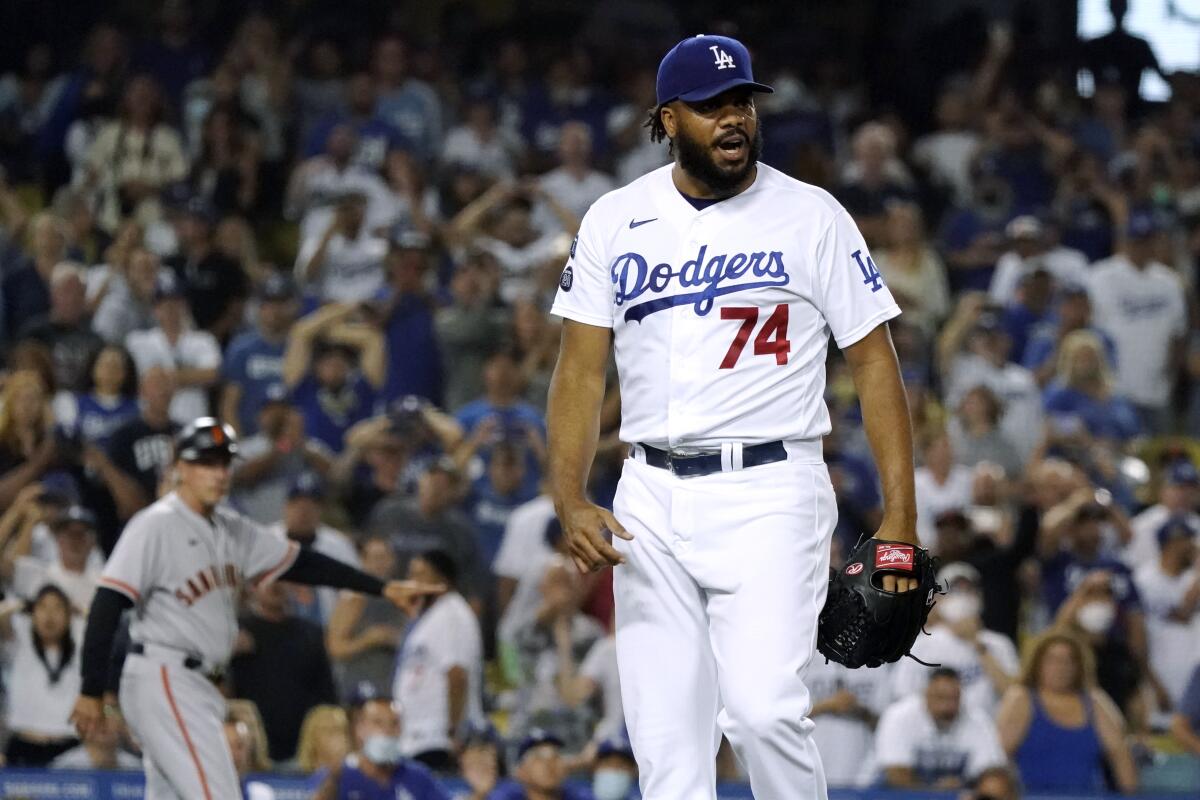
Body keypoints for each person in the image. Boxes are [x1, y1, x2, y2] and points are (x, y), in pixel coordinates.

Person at [547, 33, 922, 800]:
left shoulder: (811, 215)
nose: (734, 118)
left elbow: (876, 363)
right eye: (713, 105)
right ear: (668, 119)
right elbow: (581, 371)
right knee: (667, 750)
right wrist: (567, 496)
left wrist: (902, 519)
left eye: (743, 102)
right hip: (648, 494)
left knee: (762, 712)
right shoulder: (615, 219)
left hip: (772, 487)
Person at [69, 417, 445, 800]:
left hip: (196, 680)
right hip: (164, 674)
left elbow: (306, 563)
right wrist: (91, 689)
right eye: (206, 462)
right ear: (180, 468)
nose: (219, 473)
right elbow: (107, 604)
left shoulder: (234, 530)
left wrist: (381, 587)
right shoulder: (156, 526)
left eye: (224, 463)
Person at [995, 631, 1138, 794]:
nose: (1061, 667)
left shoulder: (1095, 702)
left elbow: (1120, 754)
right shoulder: (1021, 699)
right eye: (1052, 660)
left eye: (1069, 661)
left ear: (1079, 666)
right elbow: (999, 756)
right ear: (1037, 663)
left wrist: (1131, 796)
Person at [393, 550, 484, 771]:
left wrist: (453, 732)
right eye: (411, 574)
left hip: (437, 738)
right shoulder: (431, 615)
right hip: (418, 737)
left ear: (443, 580)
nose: (413, 582)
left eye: (422, 575)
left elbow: (456, 674)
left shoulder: (451, 614)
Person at [231, 578, 339, 762]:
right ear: (251, 586)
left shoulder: (310, 633)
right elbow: (213, 680)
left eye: (282, 578)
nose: (275, 584)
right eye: (266, 578)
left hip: (302, 751)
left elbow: (327, 695)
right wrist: (224, 653)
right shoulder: (234, 631)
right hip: (250, 751)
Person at [891, 563, 1019, 715]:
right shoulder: (919, 645)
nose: (962, 596)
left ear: (980, 597)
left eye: (968, 590)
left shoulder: (998, 644)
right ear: (937, 599)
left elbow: (1014, 696)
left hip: (985, 732)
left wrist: (978, 645)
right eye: (954, 590)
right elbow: (902, 697)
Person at [874, 668, 1006, 791]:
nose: (946, 707)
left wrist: (964, 786)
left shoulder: (978, 721)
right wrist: (936, 791)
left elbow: (992, 774)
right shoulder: (899, 716)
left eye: (953, 699)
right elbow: (896, 776)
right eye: (940, 697)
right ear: (926, 694)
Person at [1, 584, 86, 766]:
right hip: (24, 744)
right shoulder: (18, 642)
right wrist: (21, 604)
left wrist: (81, 610)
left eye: (57, 608)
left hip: (69, 746)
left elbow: (109, 632)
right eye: (42, 607)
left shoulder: (80, 646)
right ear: (32, 613)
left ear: (69, 615)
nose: (50, 615)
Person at [125, 270, 221, 425]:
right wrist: (189, 375)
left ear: (184, 305)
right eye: (164, 304)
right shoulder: (138, 341)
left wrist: (159, 379)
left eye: (176, 302)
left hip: (193, 420)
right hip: (151, 425)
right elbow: (128, 380)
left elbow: (212, 374)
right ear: (155, 309)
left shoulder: (203, 340)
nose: (170, 309)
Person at [312, 695, 450, 800]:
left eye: (394, 723)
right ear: (360, 728)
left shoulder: (418, 777)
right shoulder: (338, 775)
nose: (387, 731)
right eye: (378, 723)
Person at [326, 535, 404, 702]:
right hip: (361, 684)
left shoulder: (400, 598)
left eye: (384, 557)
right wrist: (369, 639)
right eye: (375, 558)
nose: (380, 564)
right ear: (363, 561)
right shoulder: (354, 598)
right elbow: (334, 647)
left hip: (394, 681)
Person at [293, 704, 351, 774]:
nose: (340, 737)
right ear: (312, 736)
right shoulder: (291, 776)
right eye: (330, 730)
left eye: (343, 730)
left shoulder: (357, 774)